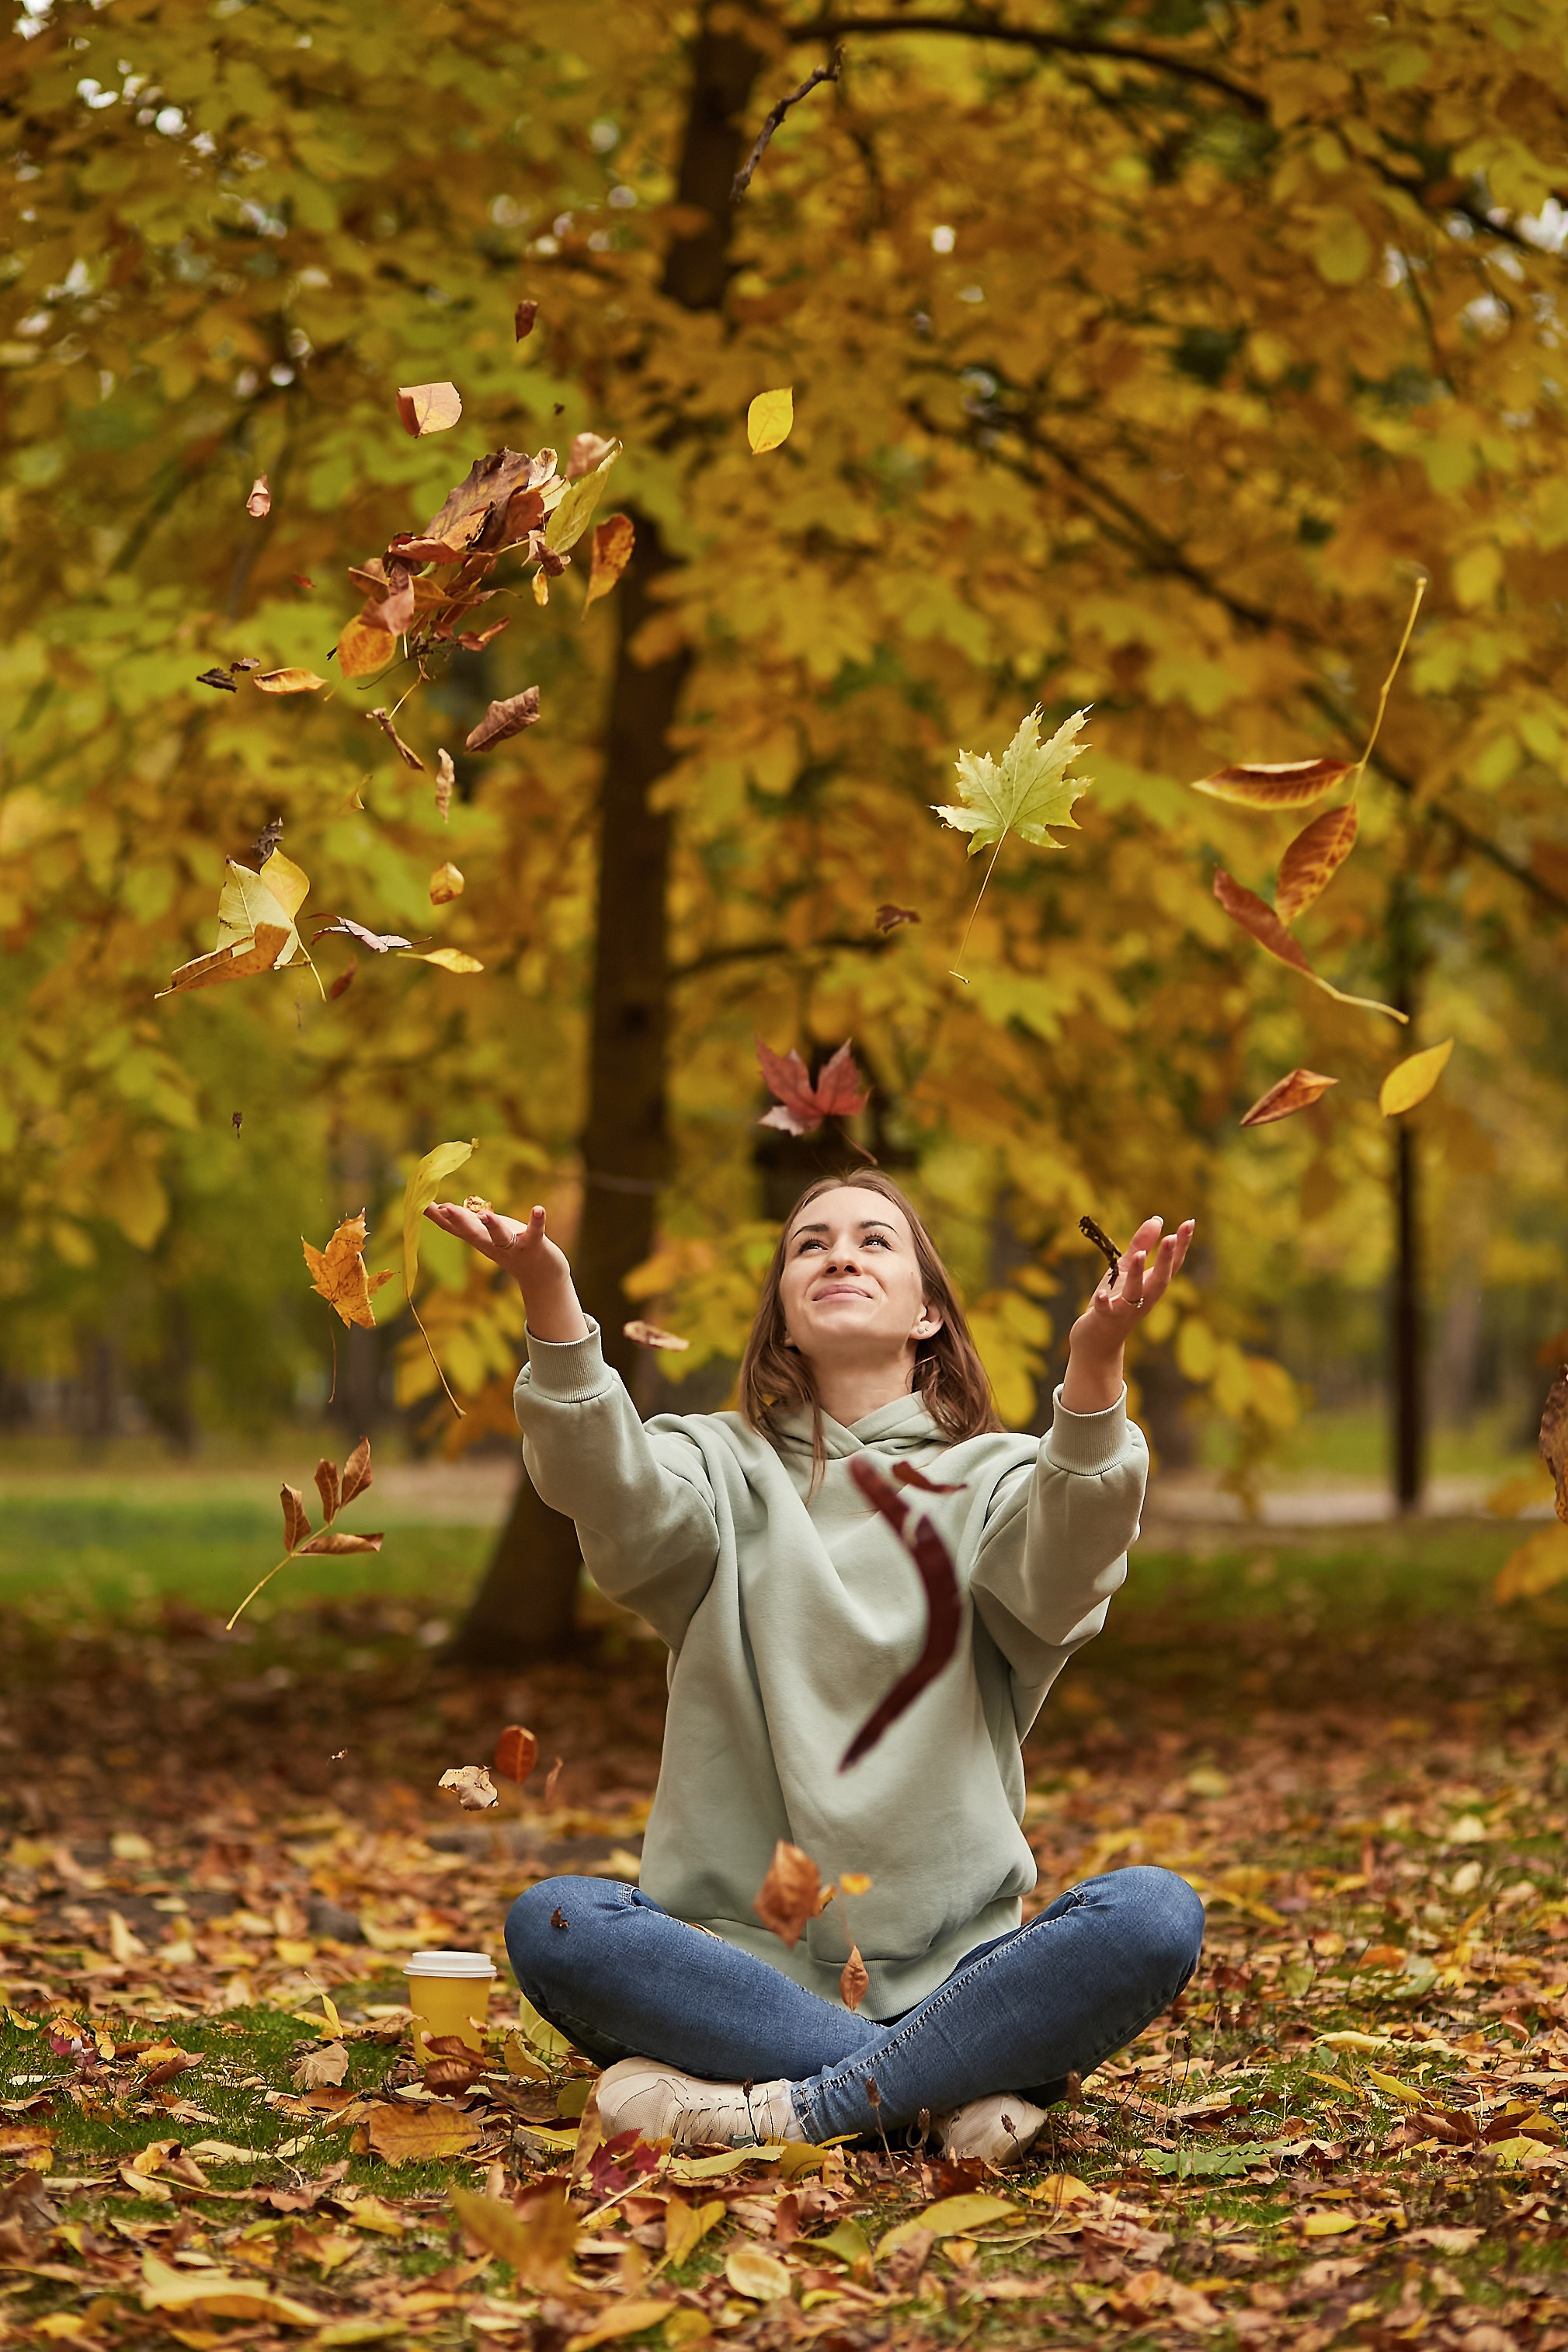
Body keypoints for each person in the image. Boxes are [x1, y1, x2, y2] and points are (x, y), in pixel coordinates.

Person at [426, 1174, 1201, 2162]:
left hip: (960, 1968)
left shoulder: (1002, 1478)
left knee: (1152, 1913)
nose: (840, 1253)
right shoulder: (711, 1464)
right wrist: (549, 1294)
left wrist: (1095, 1366)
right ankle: (949, 2083)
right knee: (558, 1920)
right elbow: (605, 1484)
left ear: (928, 1314)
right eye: (810, 1244)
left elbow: (1071, 1552)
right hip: (740, 1972)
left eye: (876, 1240)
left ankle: (788, 2110)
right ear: (784, 1321)